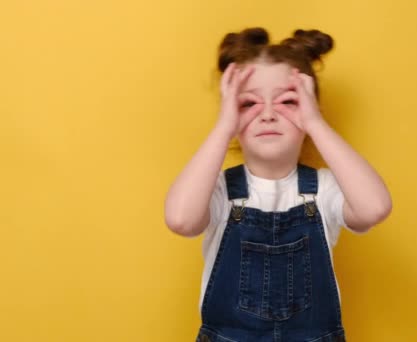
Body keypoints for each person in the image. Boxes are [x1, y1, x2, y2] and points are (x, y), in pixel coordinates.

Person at [164, 27, 392, 342]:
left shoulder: (323, 190)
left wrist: (316, 123)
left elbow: (375, 208)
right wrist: (223, 126)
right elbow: (180, 219)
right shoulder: (219, 192)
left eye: (287, 101)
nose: (268, 114)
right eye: (248, 104)